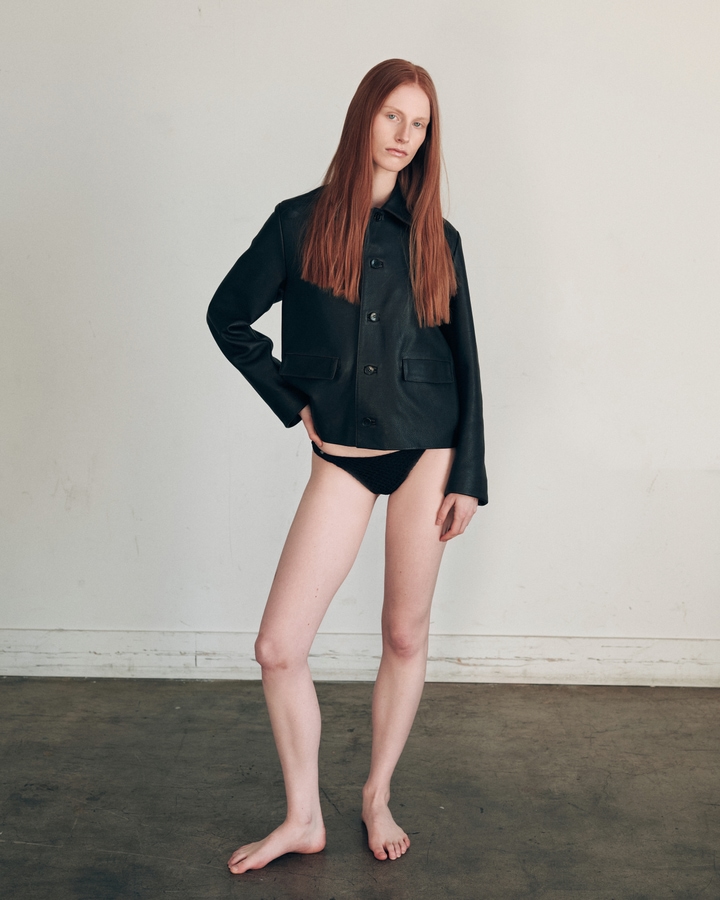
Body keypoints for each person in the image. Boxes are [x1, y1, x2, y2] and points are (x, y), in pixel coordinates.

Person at [207, 58, 487, 873]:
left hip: (429, 450)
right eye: (394, 116)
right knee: (278, 647)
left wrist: (469, 477)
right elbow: (228, 315)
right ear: (365, 116)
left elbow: (467, 363)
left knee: (404, 633)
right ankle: (303, 816)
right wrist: (291, 397)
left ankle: (375, 793)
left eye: (420, 124)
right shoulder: (298, 223)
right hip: (344, 455)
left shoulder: (438, 238)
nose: (406, 136)